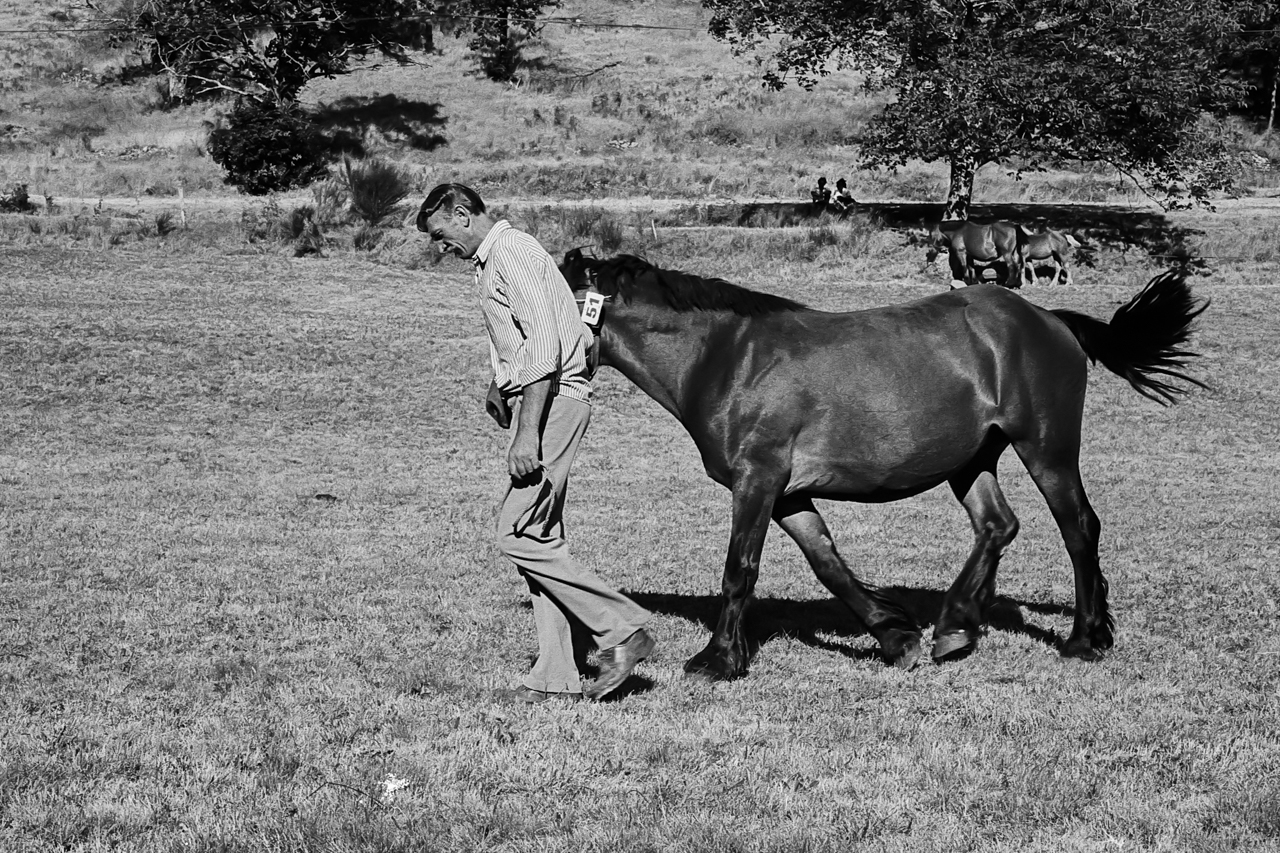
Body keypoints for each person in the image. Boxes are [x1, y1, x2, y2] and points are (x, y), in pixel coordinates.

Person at [415, 183, 656, 704]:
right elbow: (535, 335)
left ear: (462, 215)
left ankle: (622, 629)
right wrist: (500, 383)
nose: (441, 247)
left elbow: (545, 344)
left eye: (440, 235)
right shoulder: (495, 259)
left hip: (554, 404)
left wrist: (528, 432)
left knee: (516, 532)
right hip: (547, 397)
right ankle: (554, 676)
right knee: (541, 540)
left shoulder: (513, 253)